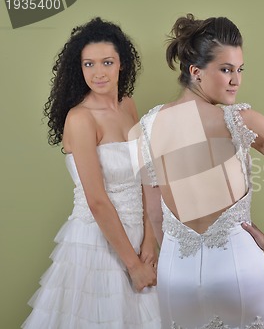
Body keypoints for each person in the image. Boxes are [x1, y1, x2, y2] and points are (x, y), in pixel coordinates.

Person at [139, 14, 264, 329]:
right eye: (226, 69)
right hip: (237, 269)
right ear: (196, 72)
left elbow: (155, 214)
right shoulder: (239, 120)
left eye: (239, 70)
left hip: (176, 274)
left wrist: (175, 252)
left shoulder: (148, 125)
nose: (236, 80)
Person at [23, 18, 161, 328]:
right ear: (79, 67)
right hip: (99, 244)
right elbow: (97, 200)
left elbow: (146, 177)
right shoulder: (80, 119)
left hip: (140, 238)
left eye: (107, 62)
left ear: (121, 64)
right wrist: (133, 265)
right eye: (89, 64)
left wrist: (150, 242)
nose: (98, 73)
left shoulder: (128, 105)